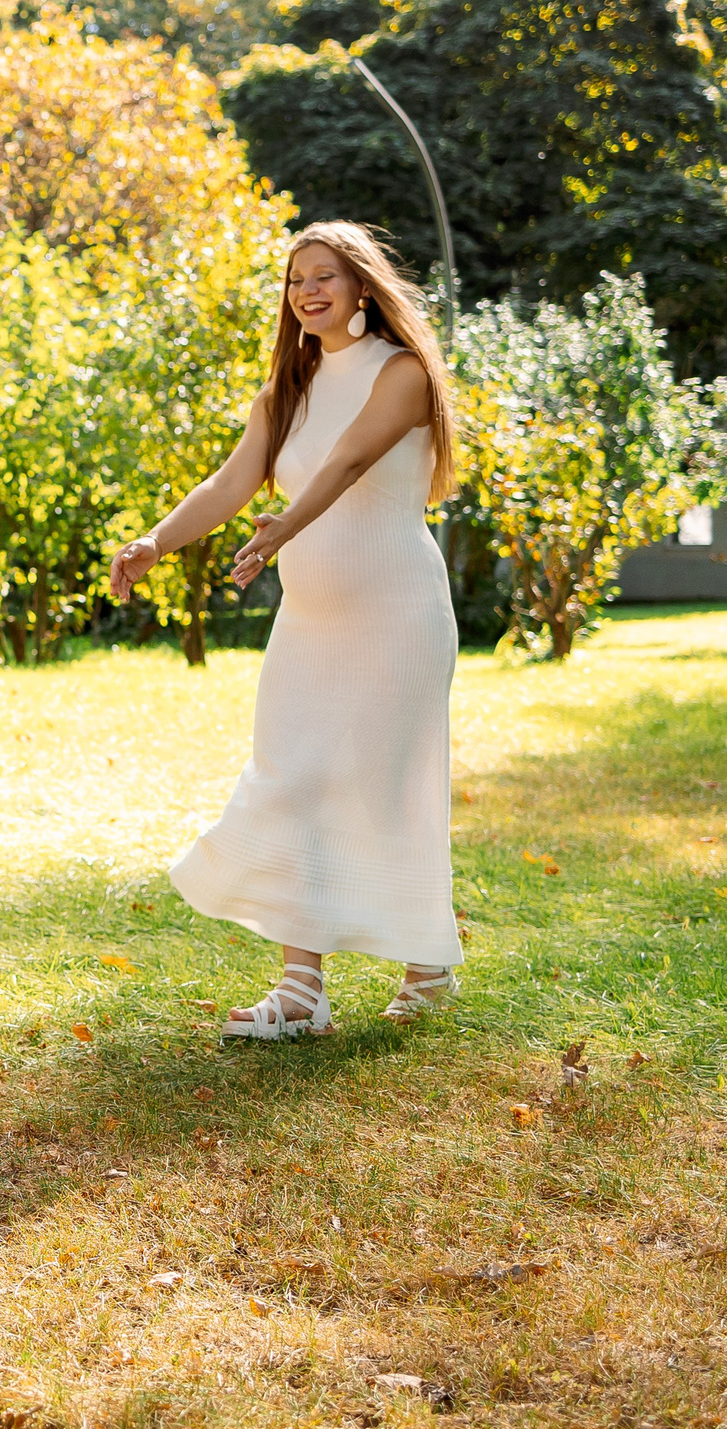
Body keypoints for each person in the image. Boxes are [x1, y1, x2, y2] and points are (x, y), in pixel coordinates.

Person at [108, 221, 462, 1039]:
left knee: (386, 789)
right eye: (297, 279)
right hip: (310, 623)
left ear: (363, 287)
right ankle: (301, 992)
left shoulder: (403, 373)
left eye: (325, 276)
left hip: (397, 616)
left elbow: (347, 463)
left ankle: (427, 964)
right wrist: (154, 542)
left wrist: (282, 530)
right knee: (293, 778)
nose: (308, 291)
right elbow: (231, 483)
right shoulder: (286, 392)